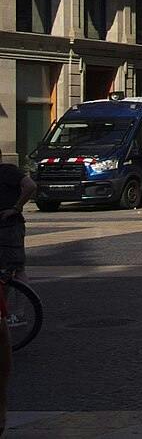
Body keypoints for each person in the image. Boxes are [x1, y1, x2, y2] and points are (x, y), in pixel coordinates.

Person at [0, 156, 36, 434]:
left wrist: (14, 208)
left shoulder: (9, 172)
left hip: (9, 227)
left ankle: (18, 312)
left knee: (15, 269)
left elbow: (30, 185)